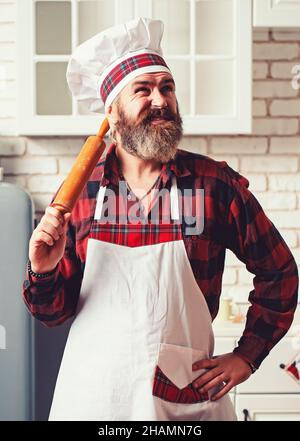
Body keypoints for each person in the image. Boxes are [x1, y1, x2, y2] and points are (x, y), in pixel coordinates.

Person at [22, 17, 299, 421]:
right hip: (95, 397)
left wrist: (246, 356)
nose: (160, 99)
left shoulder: (213, 184)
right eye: (143, 90)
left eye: (166, 87)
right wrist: (42, 271)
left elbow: (280, 273)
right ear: (113, 115)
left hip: (184, 401)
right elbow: (53, 314)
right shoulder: (83, 192)